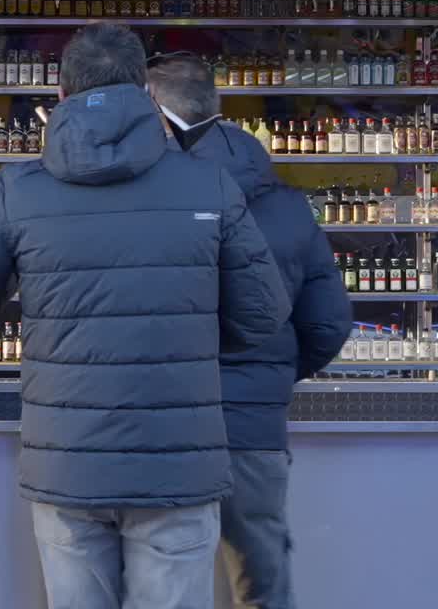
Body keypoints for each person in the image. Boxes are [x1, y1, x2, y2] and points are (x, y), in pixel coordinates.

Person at [0, 22, 290, 609]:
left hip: (70, 464)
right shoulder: (208, 186)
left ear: (59, 98)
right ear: (146, 96)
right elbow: (264, 316)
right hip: (178, 462)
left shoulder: (20, 191)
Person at [146, 52, 353, 609]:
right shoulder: (286, 204)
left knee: (165, 582)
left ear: (156, 115)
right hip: (255, 427)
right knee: (262, 583)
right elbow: (328, 322)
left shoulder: (147, 201)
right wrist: (272, 373)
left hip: (165, 424)